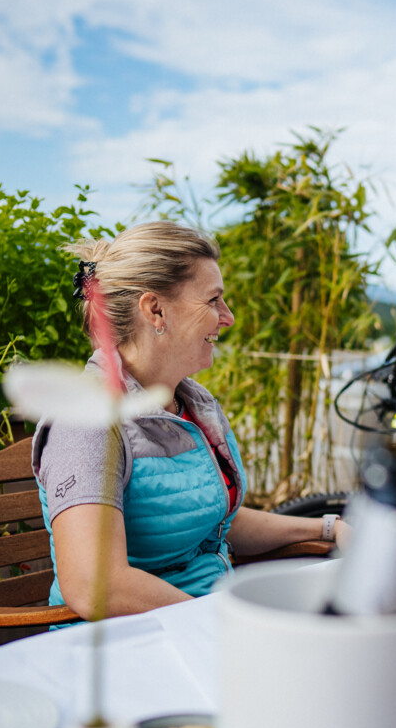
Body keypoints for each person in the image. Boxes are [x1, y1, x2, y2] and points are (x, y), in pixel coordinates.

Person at [32, 221, 349, 620]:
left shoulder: (190, 403)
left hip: (205, 623)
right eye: (214, 299)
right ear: (155, 309)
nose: (228, 317)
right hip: (135, 644)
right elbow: (95, 585)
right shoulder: (88, 422)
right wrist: (230, 625)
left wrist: (329, 528)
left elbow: (214, 522)